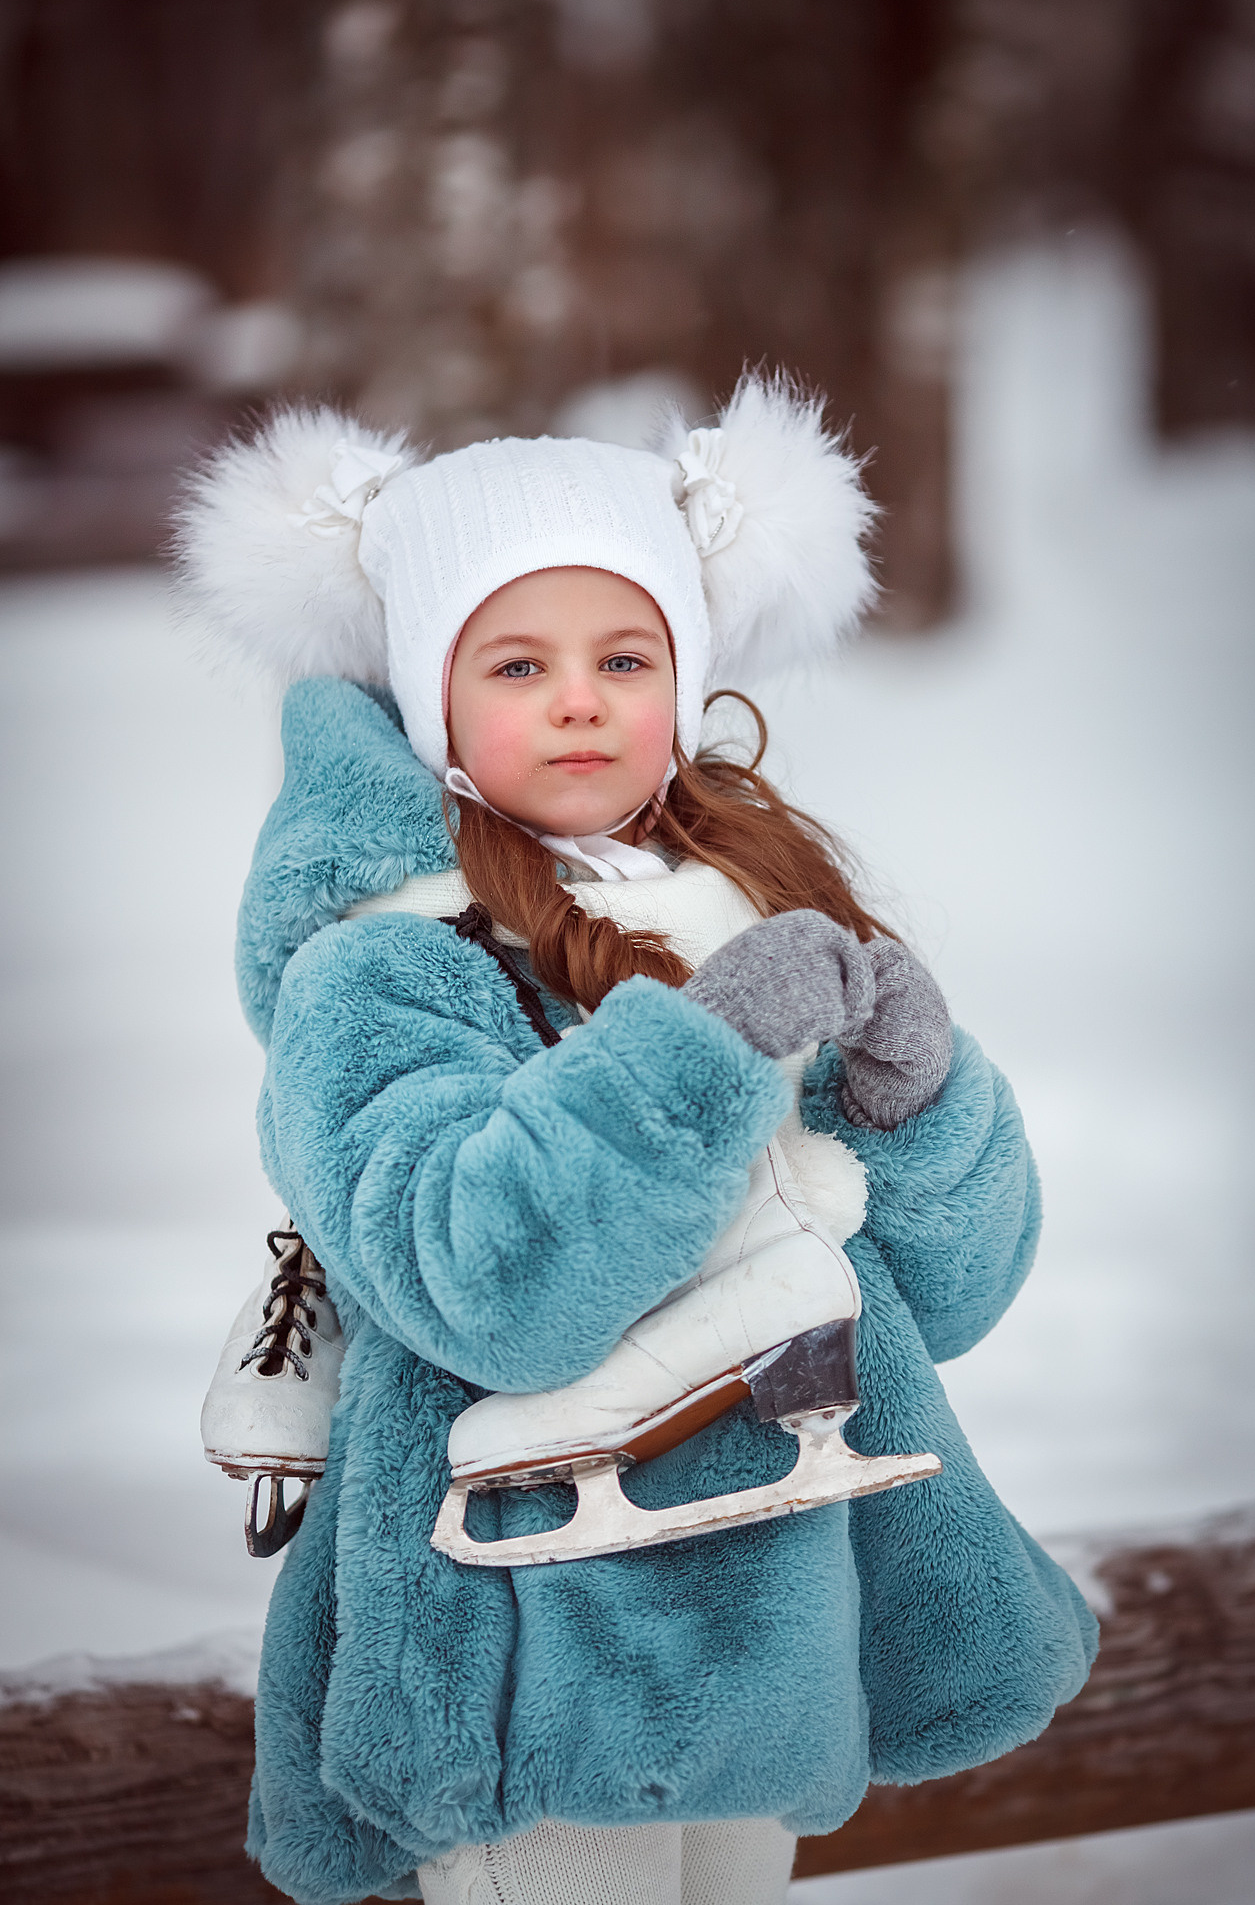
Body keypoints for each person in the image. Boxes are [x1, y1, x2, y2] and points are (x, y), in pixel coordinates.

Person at [176, 374, 1097, 1905]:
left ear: (684, 673)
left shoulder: (735, 909)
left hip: (778, 1604)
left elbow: (941, 1299)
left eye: (622, 654)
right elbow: (481, 1280)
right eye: (517, 662)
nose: (581, 698)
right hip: (532, 1636)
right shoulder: (380, 966)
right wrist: (703, 1052)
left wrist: (911, 1102)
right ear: (432, 697)